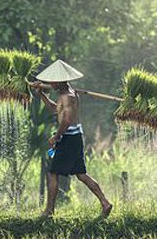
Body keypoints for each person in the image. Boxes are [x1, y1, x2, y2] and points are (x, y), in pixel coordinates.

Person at [31, 60, 113, 219]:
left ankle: (49, 211)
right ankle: (105, 202)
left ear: (59, 80)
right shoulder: (69, 94)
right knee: (81, 174)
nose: (51, 83)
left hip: (69, 138)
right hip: (75, 137)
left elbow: (66, 120)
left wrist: (56, 137)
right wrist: (41, 94)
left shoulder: (67, 96)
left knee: (53, 173)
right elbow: (57, 109)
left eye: (53, 81)